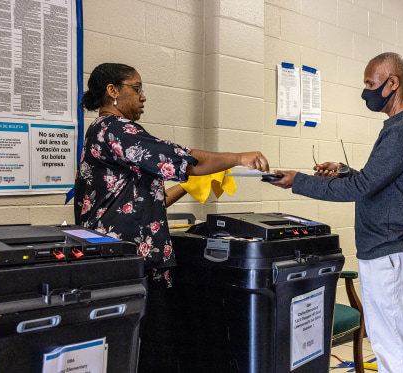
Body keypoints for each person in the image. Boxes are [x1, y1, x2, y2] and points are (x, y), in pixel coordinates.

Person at [74, 62, 269, 372]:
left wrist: (190, 186)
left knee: (158, 347)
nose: (143, 97)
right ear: (112, 91)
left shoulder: (108, 135)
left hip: (139, 263)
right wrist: (237, 157)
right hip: (126, 264)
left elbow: (149, 202)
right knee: (146, 352)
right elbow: (182, 158)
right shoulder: (114, 129)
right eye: (136, 89)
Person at [270, 52, 403, 373]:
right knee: (392, 338)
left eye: (370, 84)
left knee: (395, 344)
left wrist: (298, 181)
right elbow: (383, 184)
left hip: (390, 250)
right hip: (390, 248)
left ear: (392, 83)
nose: (365, 92)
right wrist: (346, 171)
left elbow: (362, 189)